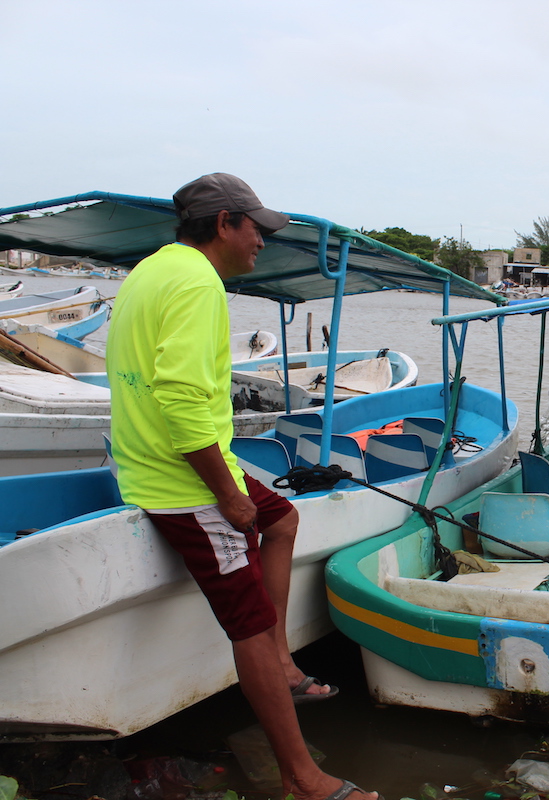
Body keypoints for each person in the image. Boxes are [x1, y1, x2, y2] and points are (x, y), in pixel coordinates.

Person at [106, 173, 379, 800]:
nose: (262, 241)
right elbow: (177, 394)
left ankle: (283, 663)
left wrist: (237, 487)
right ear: (225, 224)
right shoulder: (199, 282)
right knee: (248, 626)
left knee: (281, 519)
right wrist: (227, 496)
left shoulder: (153, 269)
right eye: (256, 228)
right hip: (184, 483)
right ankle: (301, 778)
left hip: (173, 463)